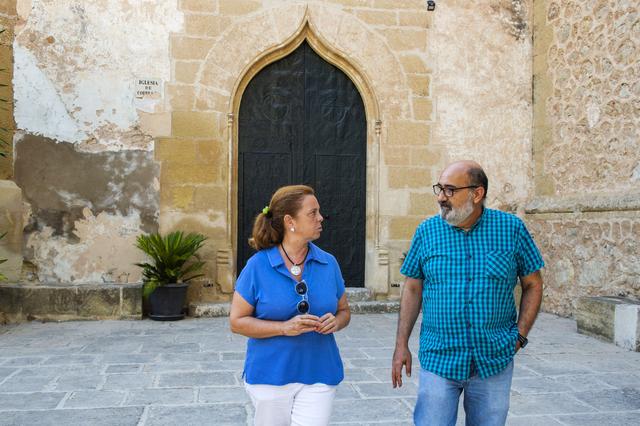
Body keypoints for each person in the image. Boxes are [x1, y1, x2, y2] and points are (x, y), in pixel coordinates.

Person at [391, 161, 544, 426]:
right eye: (439, 188)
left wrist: (519, 336)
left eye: (450, 190)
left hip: (494, 358)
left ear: (477, 193)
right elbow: (413, 287)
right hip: (440, 357)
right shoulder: (427, 231)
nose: (441, 197)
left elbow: (533, 283)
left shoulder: (511, 229)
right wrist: (401, 344)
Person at [230, 184, 351, 426]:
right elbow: (237, 322)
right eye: (312, 213)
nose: (320, 218)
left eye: (319, 212)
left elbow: (344, 311)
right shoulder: (257, 266)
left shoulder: (329, 263)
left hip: (320, 371)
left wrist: (336, 321)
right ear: (289, 221)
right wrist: (284, 327)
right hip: (270, 375)